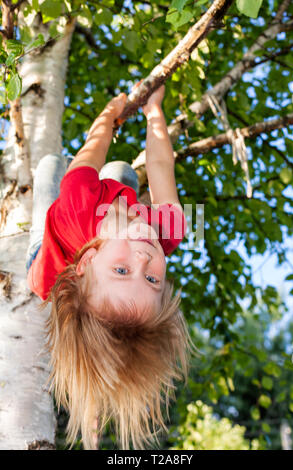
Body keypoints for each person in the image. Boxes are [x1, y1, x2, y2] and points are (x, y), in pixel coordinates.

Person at [26, 84, 193, 450]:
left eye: (121, 271)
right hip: (102, 223)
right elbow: (162, 164)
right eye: (152, 279)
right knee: (119, 172)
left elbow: (95, 141)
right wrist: (152, 110)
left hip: (46, 260)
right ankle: (120, 191)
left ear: (87, 261)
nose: (144, 259)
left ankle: (91, 411)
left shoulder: (77, 202)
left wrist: (114, 111)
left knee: (54, 167)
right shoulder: (167, 231)